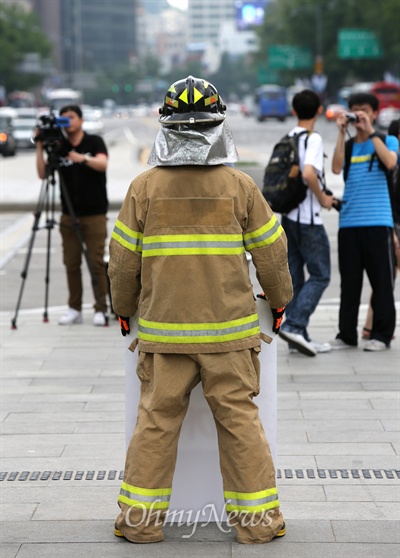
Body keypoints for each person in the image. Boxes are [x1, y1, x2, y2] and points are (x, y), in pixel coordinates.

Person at [107, 76, 293, 544]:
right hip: (229, 335)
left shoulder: (144, 187)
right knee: (239, 421)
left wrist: (124, 309)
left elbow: (123, 260)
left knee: (155, 421)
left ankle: (139, 525)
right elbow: (272, 253)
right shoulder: (240, 185)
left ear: (164, 125)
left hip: (165, 336)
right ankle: (259, 524)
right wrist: (280, 300)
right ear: (219, 123)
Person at [331, 94, 399, 351]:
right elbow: (336, 169)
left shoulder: (386, 139)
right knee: (349, 283)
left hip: (378, 221)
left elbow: (391, 162)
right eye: (355, 111)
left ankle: (381, 335)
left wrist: (370, 132)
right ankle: (346, 335)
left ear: (374, 114)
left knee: (381, 282)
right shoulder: (348, 146)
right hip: (349, 223)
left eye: (364, 111)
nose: (359, 115)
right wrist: (341, 133)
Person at [35, 104, 109, 326]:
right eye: (63, 119)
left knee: (96, 262)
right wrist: (39, 146)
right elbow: (42, 174)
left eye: (71, 118)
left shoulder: (94, 142)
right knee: (71, 263)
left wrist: (83, 158)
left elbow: (103, 164)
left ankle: (100, 308)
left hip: (94, 213)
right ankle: (74, 308)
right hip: (68, 214)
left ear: (81, 120)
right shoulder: (59, 146)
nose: (68, 123)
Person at [278, 89, 335, 357]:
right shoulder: (313, 138)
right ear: (320, 110)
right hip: (308, 219)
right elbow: (309, 173)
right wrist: (323, 197)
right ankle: (295, 325)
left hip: (288, 218)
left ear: (293, 111)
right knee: (321, 274)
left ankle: (298, 337)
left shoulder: (288, 137)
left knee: (296, 279)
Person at [361, 117, 400, 339]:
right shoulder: (392, 162)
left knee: (385, 279)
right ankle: (371, 326)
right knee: (385, 278)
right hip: (392, 223)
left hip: (390, 223)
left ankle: (369, 326)